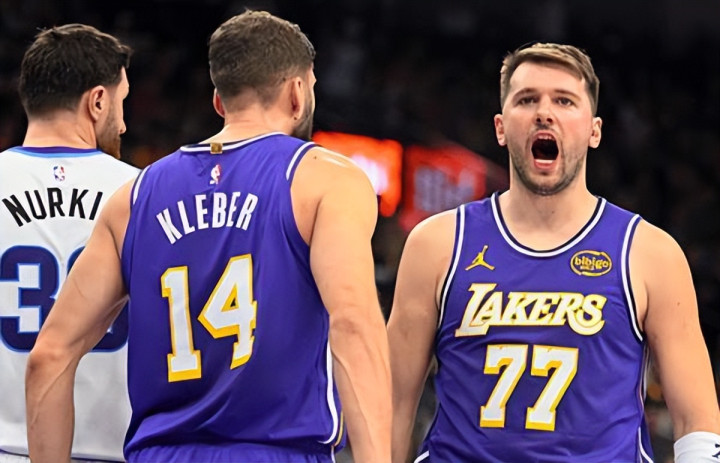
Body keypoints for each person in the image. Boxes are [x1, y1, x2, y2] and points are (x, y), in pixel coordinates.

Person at [26, 10, 391, 463]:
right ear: (297, 93)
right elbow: (353, 323)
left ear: (219, 101)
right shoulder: (325, 179)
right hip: (273, 453)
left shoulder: (134, 196)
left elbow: (49, 356)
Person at [387, 42, 720, 463]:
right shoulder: (437, 243)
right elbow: (391, 403)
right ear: (500, 127)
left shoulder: (650, 252)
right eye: (527, 100)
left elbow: (696, 419)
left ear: (594, 131)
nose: (544, 113)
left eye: (564, 101)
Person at [0, 24, 138, 463]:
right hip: (117, 448)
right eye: (121, 102)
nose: (124, 122)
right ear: (97, 101)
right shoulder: (143, 192)